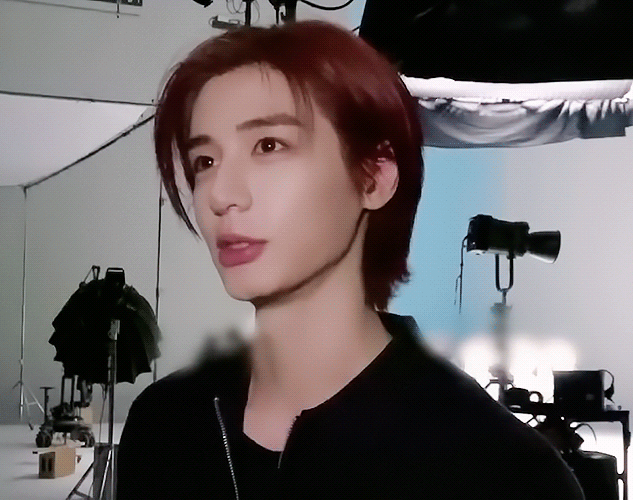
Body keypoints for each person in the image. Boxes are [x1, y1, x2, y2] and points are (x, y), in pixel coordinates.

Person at [117, 20, 584, 499]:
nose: (221, 194)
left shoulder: (504, 471)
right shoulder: (164, 425)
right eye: (205, 161)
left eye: (268, 146)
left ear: (373, 177)